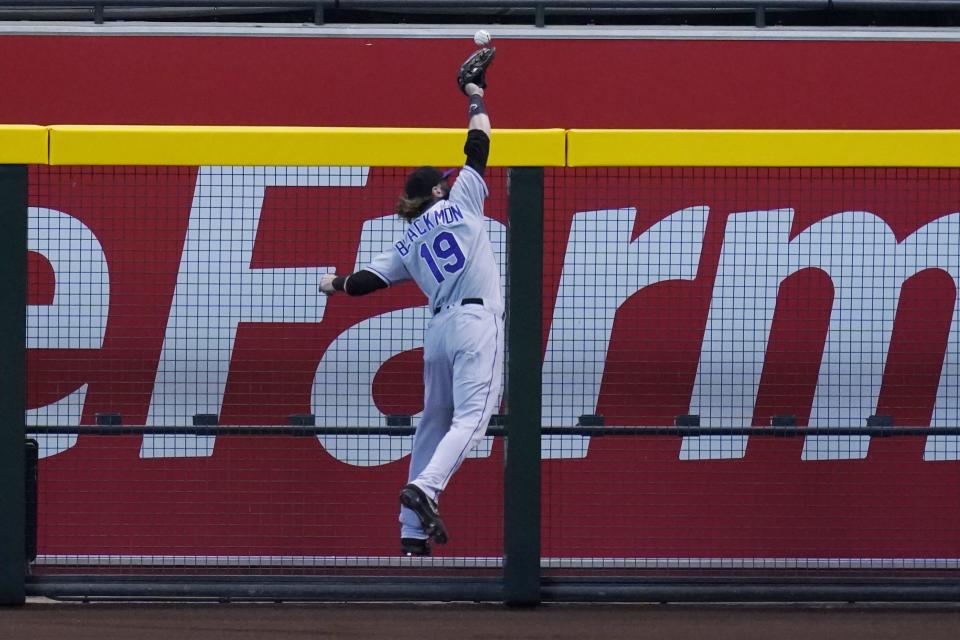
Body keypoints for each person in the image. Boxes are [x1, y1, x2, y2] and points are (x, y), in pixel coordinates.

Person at [319, 54, 502, 557]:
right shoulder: (460, 200)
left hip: (438, 331)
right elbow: (480, 143)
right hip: (473, 322)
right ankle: (425, 489)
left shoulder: (405, 240)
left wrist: (331, 284)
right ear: (439, 189)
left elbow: (363, 283)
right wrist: (474, 95)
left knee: (432, 421)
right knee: (473, 420)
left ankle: (411, 531)